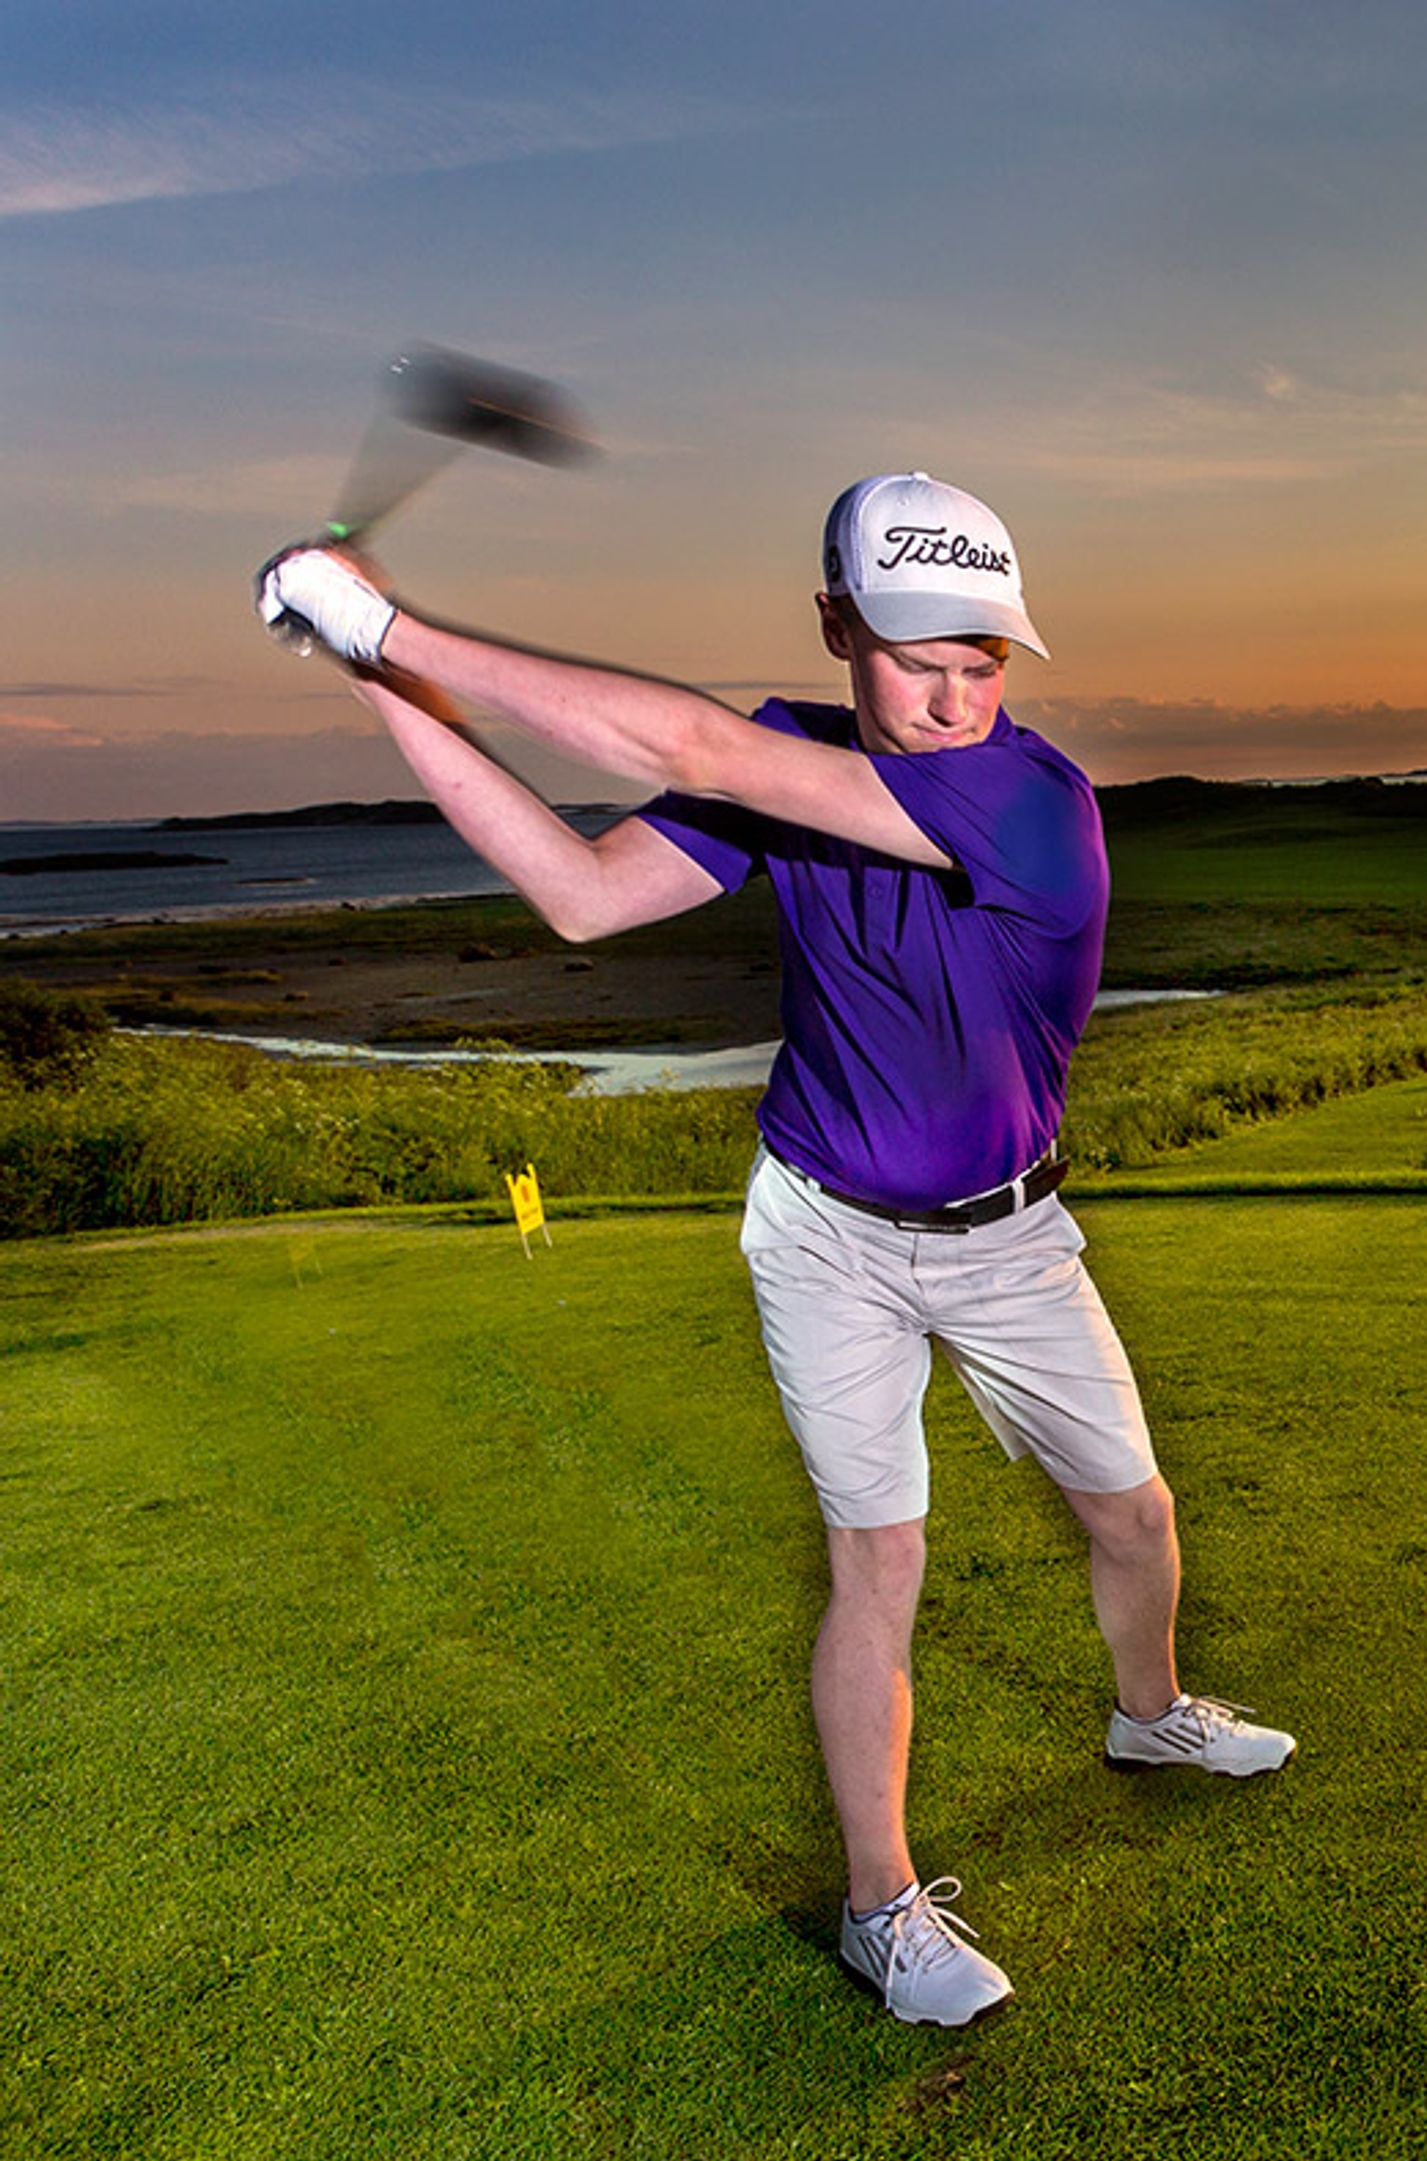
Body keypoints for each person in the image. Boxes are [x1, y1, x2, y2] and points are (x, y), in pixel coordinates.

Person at [255, 473, 1294, 2029]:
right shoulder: (786, 763)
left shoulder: (1029, 802)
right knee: (879, 1555)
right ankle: (883, 1903)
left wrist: (385, 613)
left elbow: (683, 747)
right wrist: (380, 674)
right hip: (821, 1231)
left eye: (984, 660)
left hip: (1011, 1233)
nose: (952, 696)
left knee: (1134, 1515)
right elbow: (582, 894)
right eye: (913, 656)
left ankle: (1150, 1716)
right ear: (834, 629)